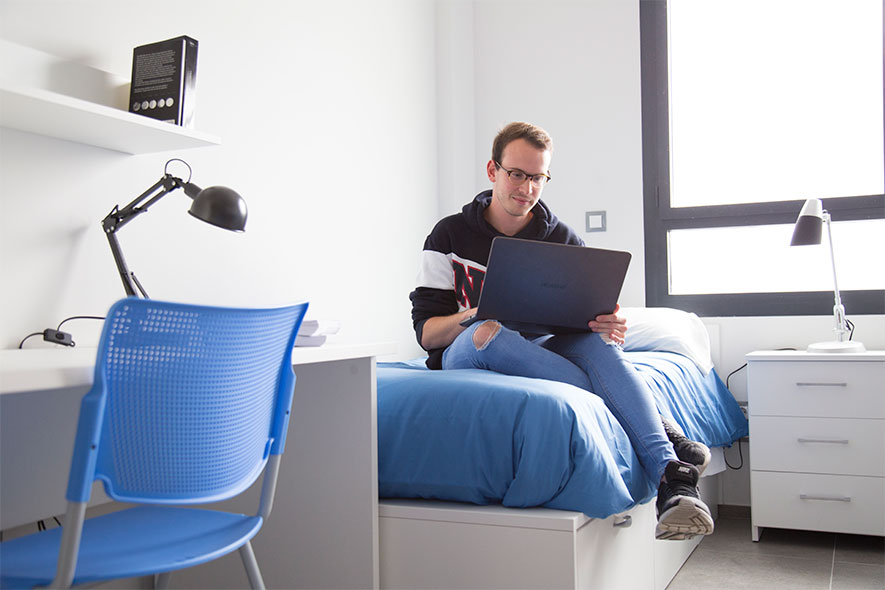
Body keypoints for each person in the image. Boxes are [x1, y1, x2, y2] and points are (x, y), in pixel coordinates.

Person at [409, 121, 713, 540]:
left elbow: (579, 317)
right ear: (492, 170)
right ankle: (656, 423)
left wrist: (604, 322)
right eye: (517, 173)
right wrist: (480, 310)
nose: (527, 187)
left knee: (597, 345)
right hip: (468, 348)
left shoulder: (563, 238)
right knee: (490, 331)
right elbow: (427, 334)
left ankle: (671, 481)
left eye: (538, 177)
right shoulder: (448, 234)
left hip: (541, 344)